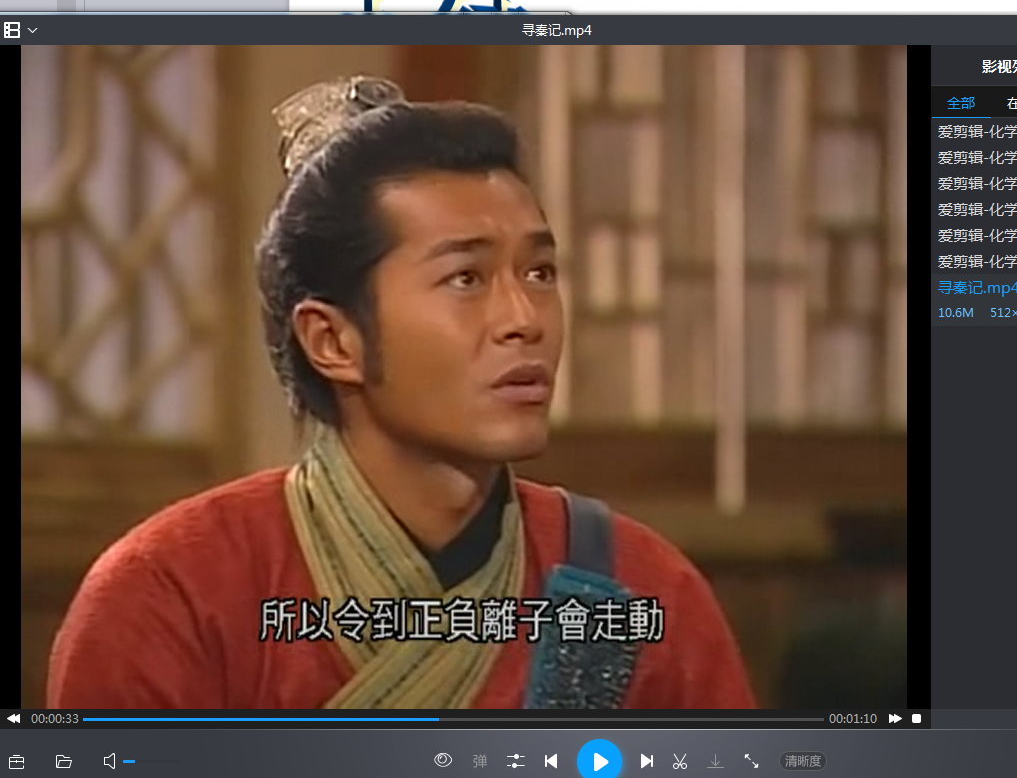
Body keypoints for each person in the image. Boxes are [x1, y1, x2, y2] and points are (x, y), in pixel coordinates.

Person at [46, 76, 757, 710]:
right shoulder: (172, 597)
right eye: (466, 279)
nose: (525, 319)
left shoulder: (637, 587)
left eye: (539, 273)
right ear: (333, 340)